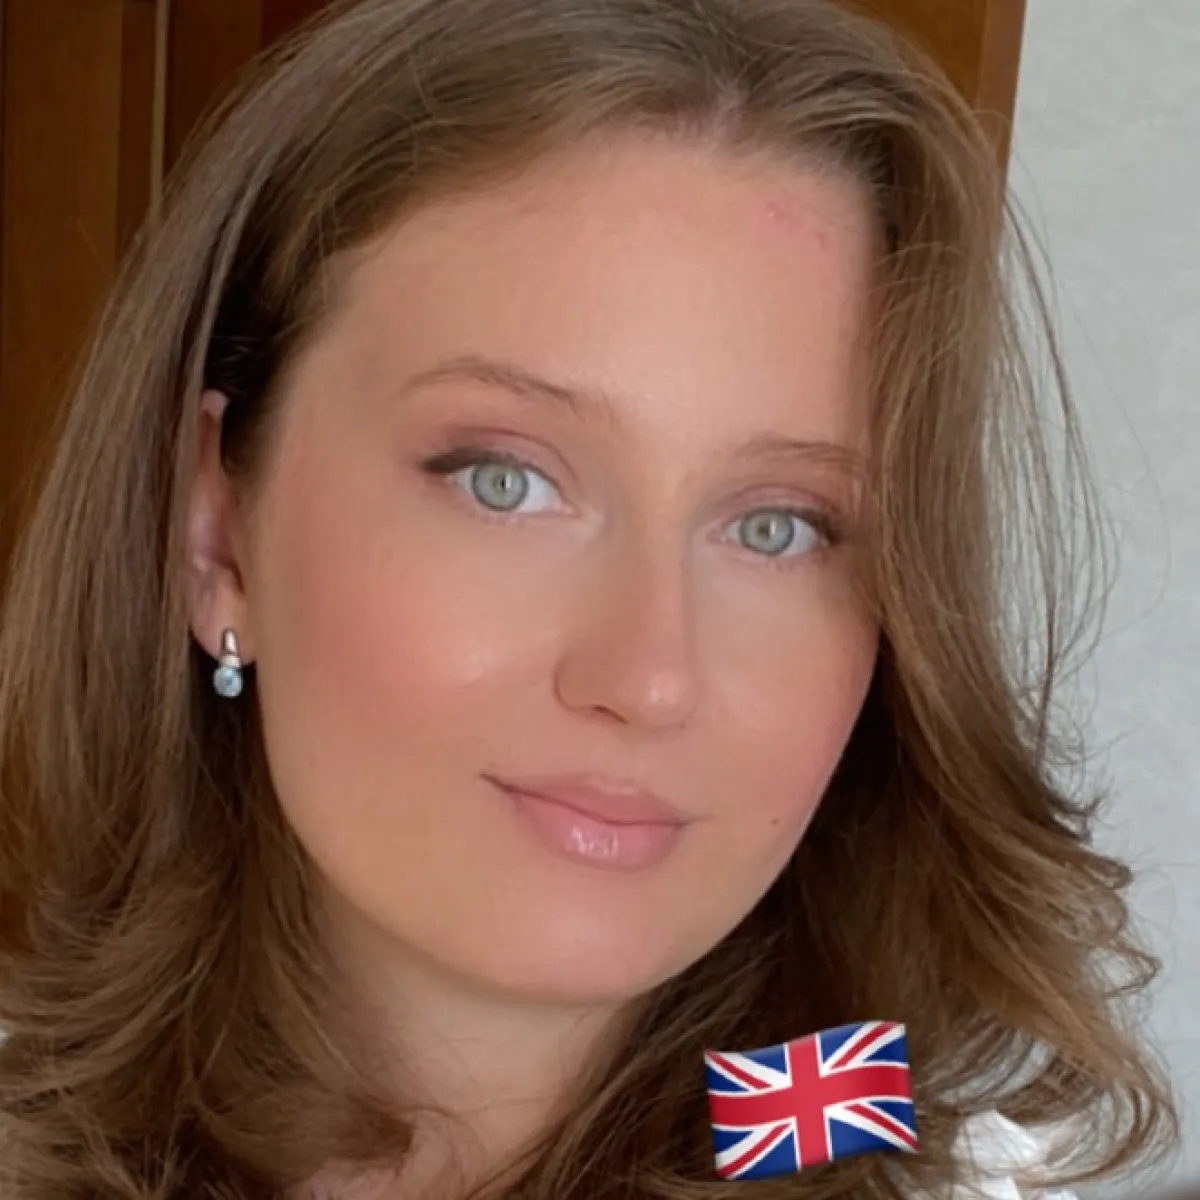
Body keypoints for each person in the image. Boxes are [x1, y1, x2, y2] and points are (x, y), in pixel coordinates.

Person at [0, 0, 1178, 1197]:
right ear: (217, 531)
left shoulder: (905, 1158)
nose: (649, 677)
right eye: (504, 481)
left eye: (778, 526)